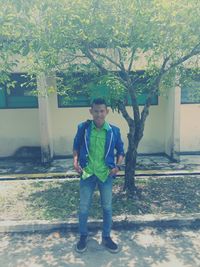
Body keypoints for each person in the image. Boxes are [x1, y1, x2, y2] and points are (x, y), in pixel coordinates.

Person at [73, 98, 125, 253]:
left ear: (107, 112)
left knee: (107, 207)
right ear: (91, 111)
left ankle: (107, 237)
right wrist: (75, 162)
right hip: (87, 173)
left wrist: (117, 166)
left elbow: (121, 151)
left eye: (102, 111)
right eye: (96, 111)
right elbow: (76, 146)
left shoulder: (114, 131)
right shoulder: (83, 128)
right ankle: (83, 236)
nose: (99, 114)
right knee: (83, 208)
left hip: (105, 174)